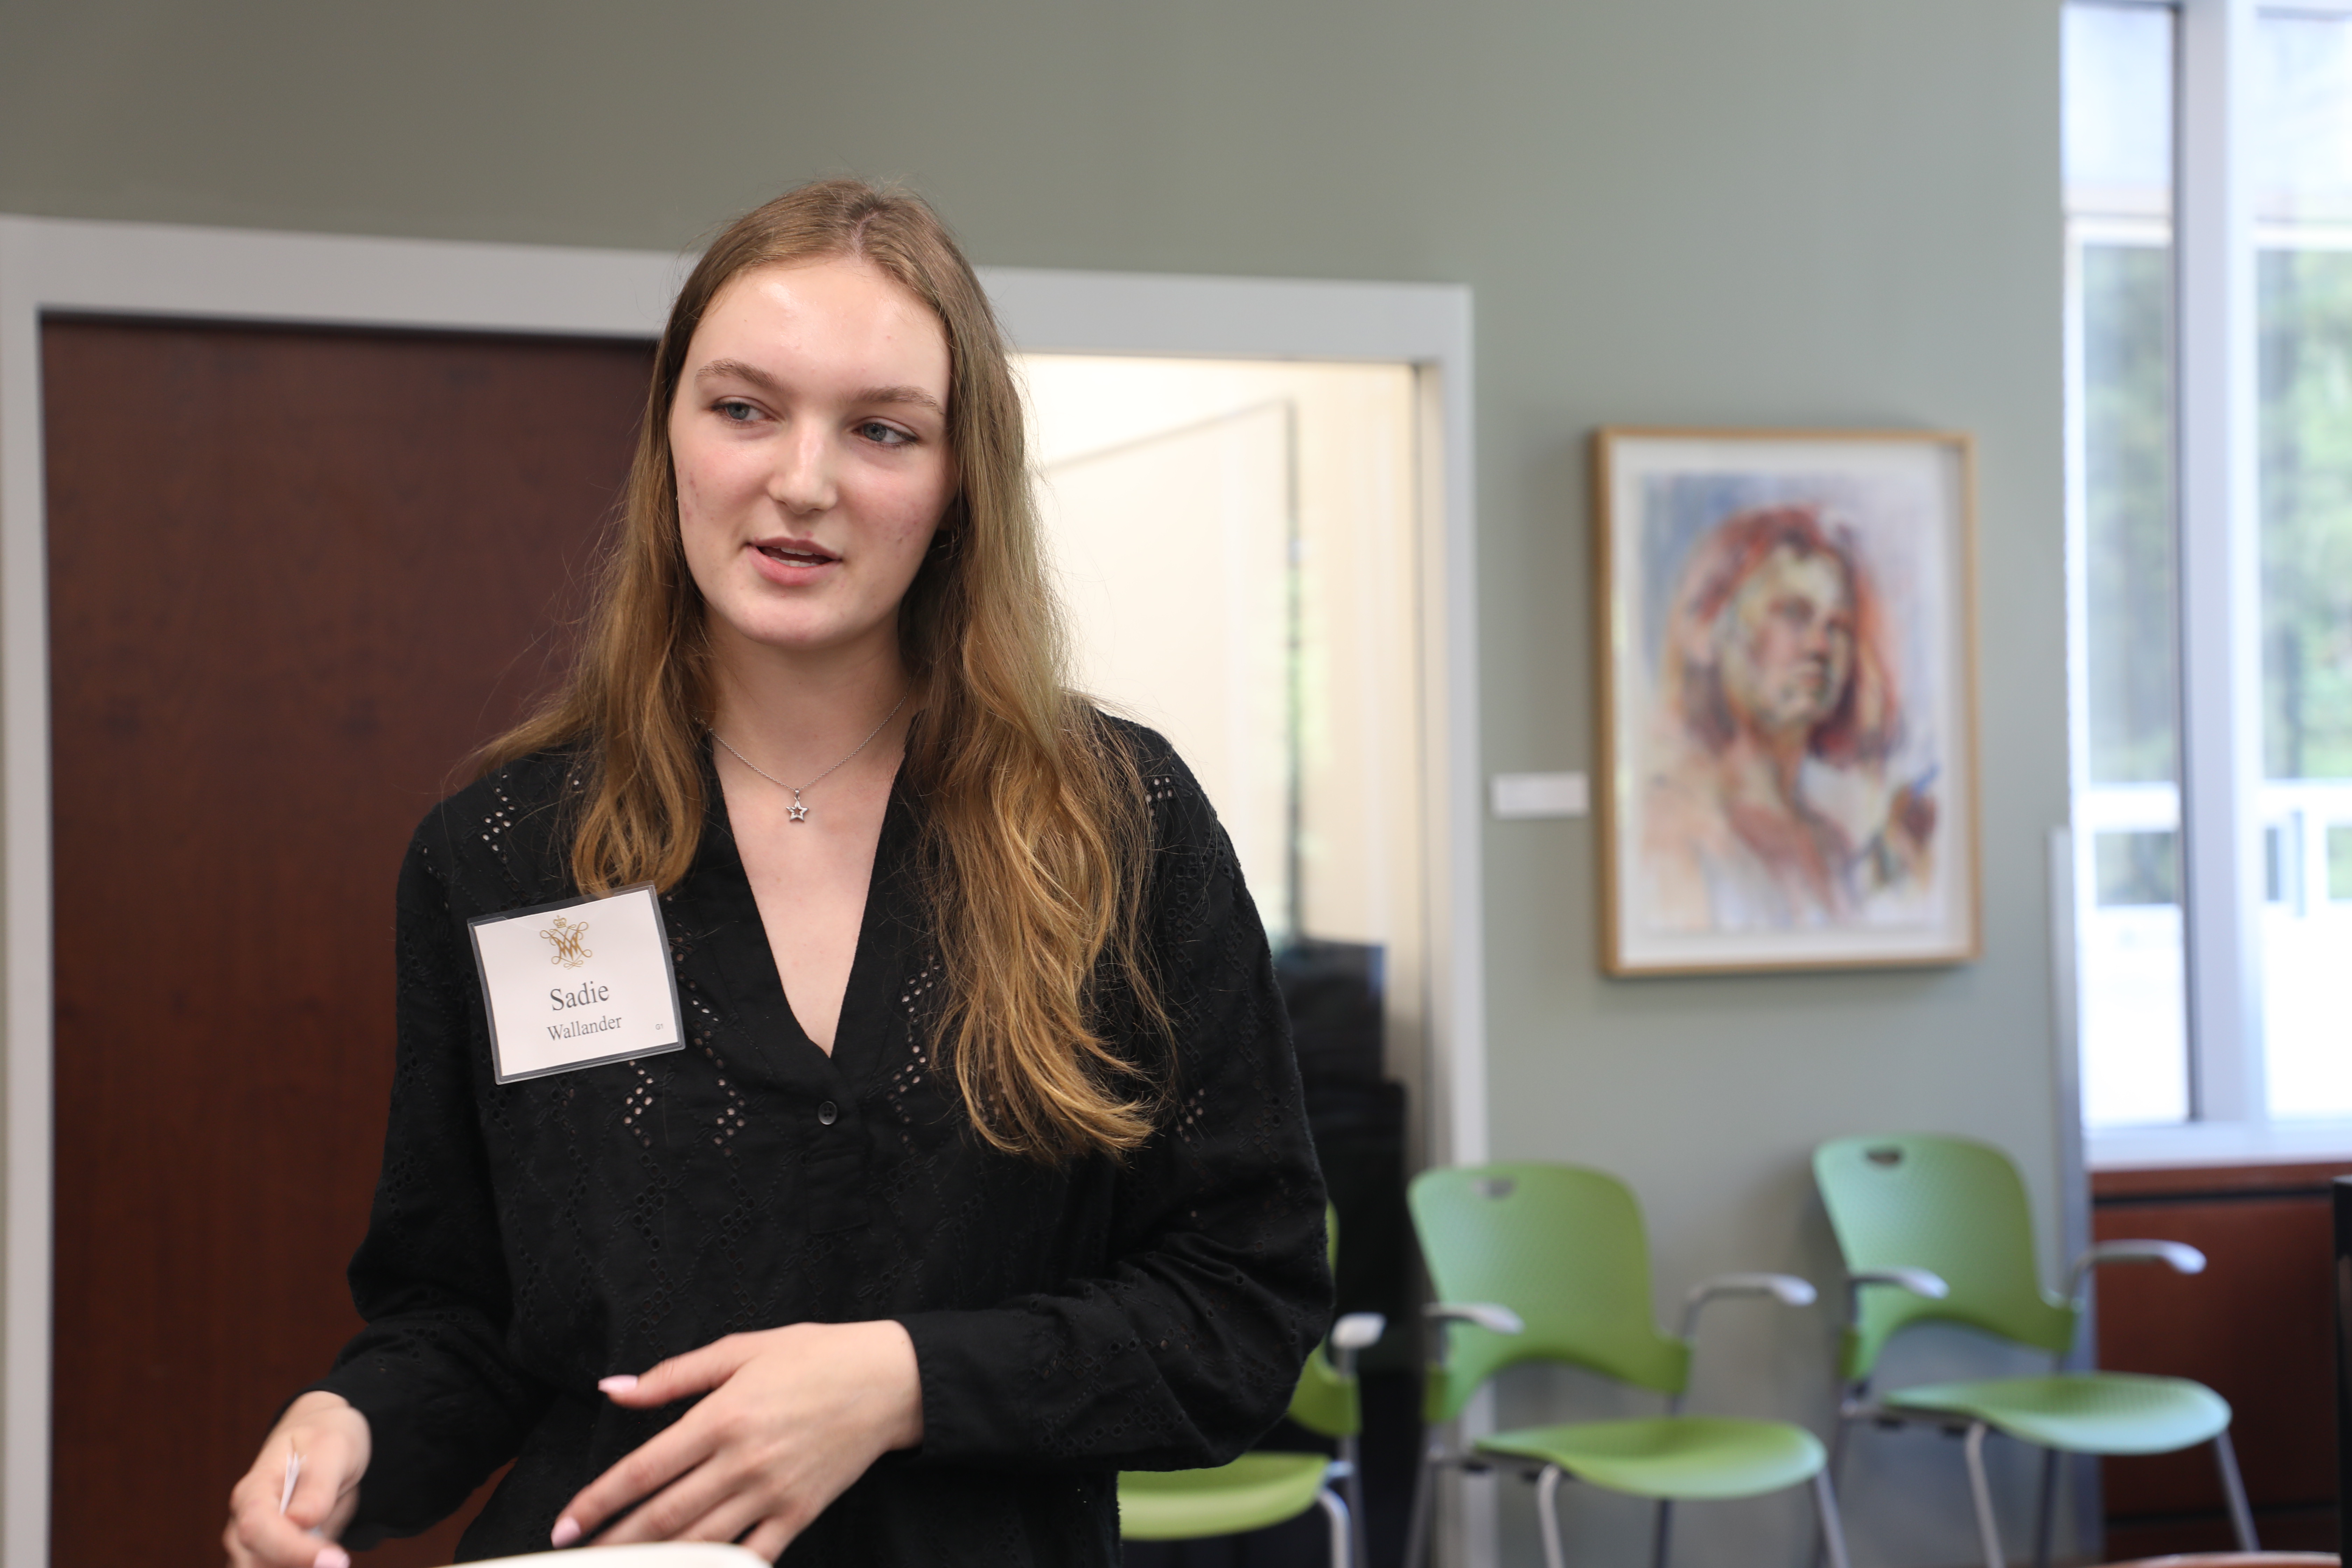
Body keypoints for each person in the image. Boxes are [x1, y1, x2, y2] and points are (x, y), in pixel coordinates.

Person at [220, 180, 1330, 1568]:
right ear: (670, 436)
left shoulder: (1119, 823)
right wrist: (352, 1425)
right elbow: (465, 1315)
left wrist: (901, 1383)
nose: (802, 480)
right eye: (744, 408)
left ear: (959, 480)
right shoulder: (507, 852)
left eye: (881, 430)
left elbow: (1244, 1312)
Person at [1638, 503, 1935, 931]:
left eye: (1839, 626)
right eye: (1793, 613)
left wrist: (1896, 875)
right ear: (1707, 631)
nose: (1820, 645)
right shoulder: (1670, 828)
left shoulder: (1831, 845)